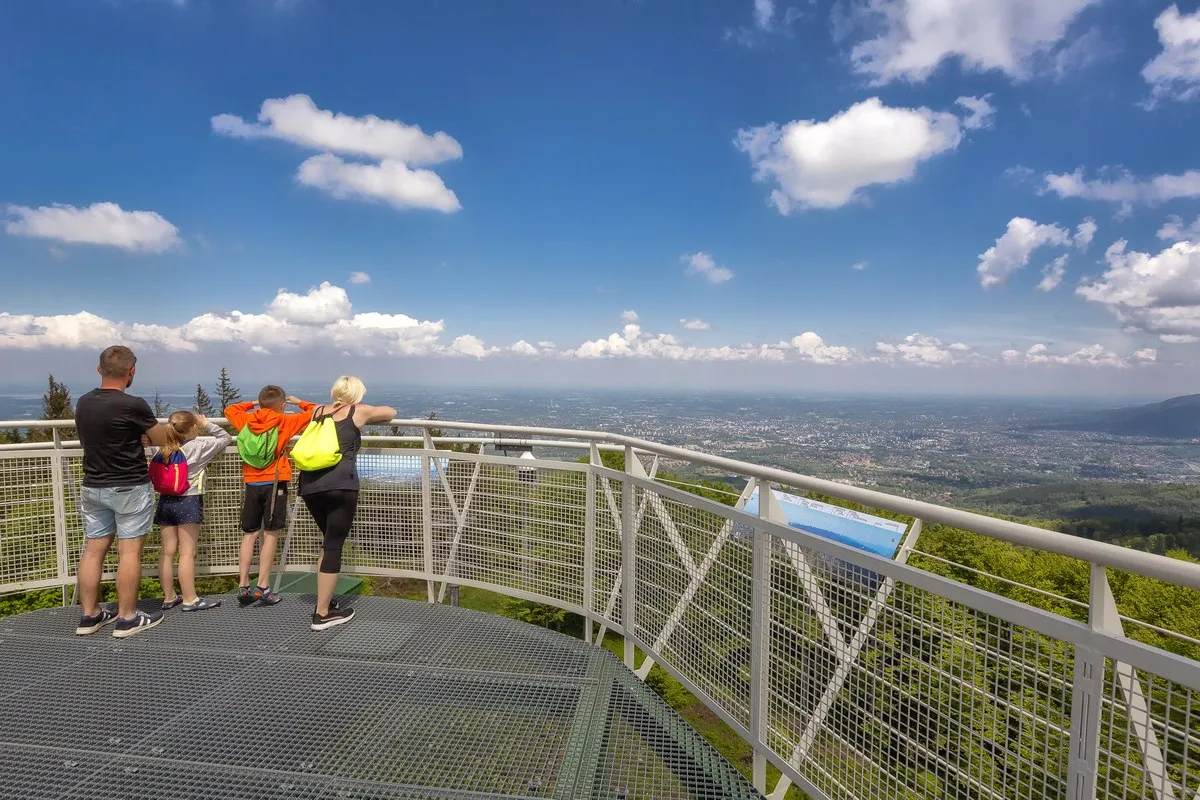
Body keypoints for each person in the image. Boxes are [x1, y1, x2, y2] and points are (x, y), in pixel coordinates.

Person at [74, 345, 169, 638]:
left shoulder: (84, 402)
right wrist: (141, 436)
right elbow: (163, 439)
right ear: (132, 372)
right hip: (129, 485)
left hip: (93, 484)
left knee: (93, 551)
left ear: (99, 369)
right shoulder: (133, 405)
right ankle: (127, 618)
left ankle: (90, 616)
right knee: (129, 552)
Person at [300, 376, 395, 631]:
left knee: (328, 540)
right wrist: (366, 412)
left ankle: (325, 601)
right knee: (333, 546)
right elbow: (390, 412)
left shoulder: (318, 411)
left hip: (310, 485)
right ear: (357, 393)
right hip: (341, 483)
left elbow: (309, 411)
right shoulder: (359, 411)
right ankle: (322, 614)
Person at [225, 386, 317, 605]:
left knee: (249, 534)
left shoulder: (246, 420)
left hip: (251, 481)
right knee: (271, 533)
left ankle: (244, 585)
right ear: (282, 405)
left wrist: (254, 405)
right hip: (276, 481)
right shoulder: (285, 420)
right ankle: (263, 587)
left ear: (261, 402)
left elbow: (230, 409)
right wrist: (299, 401)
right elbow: (315, 411)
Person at [153, 411, 232, 612]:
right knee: (187, 552)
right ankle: (190, 599)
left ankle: (169, 596)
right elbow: (225, 438)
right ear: (193, 427)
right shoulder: (199, 447)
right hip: (189, 501)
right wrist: (207, 423)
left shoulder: (163, 448)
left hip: (165, 500)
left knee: (168, 551)